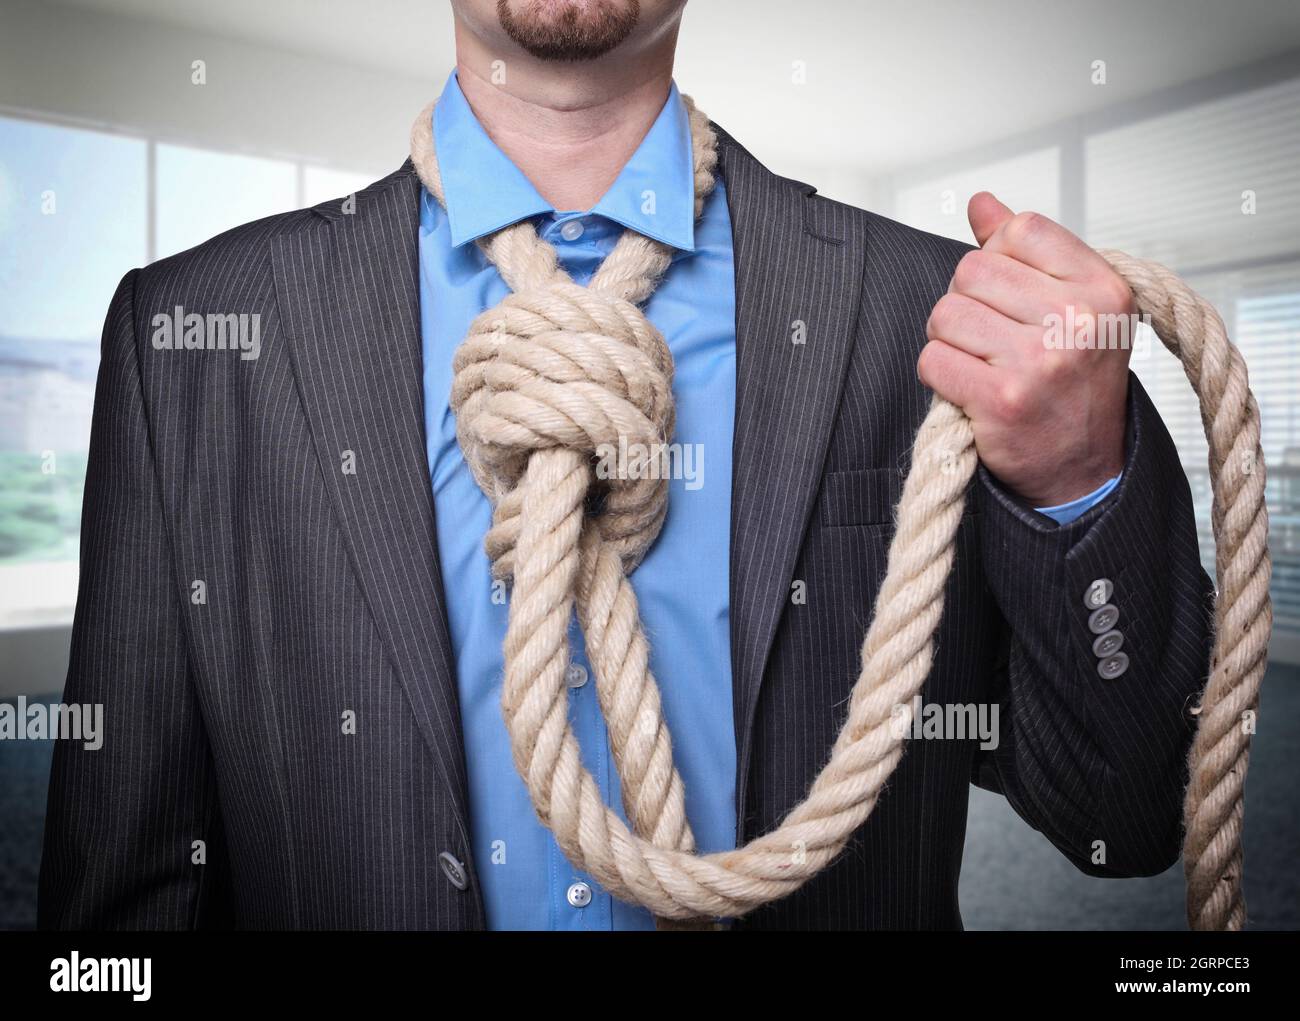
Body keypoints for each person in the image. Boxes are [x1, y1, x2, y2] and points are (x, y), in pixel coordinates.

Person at [39, 0, 1212, 930]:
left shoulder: (934, 315)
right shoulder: (191, 336)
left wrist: (1078, 484)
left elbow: (1129, 812)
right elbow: (129, 886)